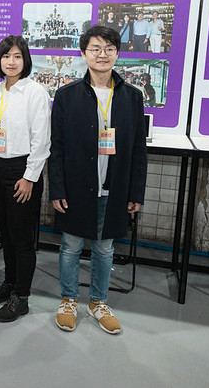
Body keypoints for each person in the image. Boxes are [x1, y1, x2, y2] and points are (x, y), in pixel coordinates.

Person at [49, 25, 147, 335]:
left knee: (105, 249)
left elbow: (138, 149)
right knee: (70, 246)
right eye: (95, 48)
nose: (102, 54)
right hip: (77, 186)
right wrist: (57, 188)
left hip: (114, 186)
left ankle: (98, 302)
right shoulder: (67, 95)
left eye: (109, 49)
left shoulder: (132, 97)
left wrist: (136, 192)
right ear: (83, 53)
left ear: (117, 53)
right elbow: (57, 147)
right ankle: (69, 300)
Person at [0, 36, 51, 322]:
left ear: (25, 60)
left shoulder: (36, 92)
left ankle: (21, 297)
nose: (11, 62)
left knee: (22, 239)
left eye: (17, 56)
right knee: (6, 235)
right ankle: (9, 284)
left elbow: (41, 140)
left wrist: (29, 177)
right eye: (6, 56)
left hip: (23, 171)